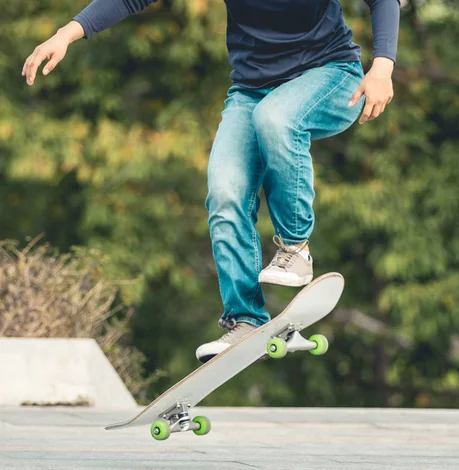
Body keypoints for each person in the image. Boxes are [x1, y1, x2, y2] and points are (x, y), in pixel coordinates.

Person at [22, 0, 399, 361]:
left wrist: (382, 67)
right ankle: (245, 319)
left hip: (330, 76)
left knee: (277, 119)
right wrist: (65, 34)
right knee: (224, 192)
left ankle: (294, 247)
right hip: (252, 90)